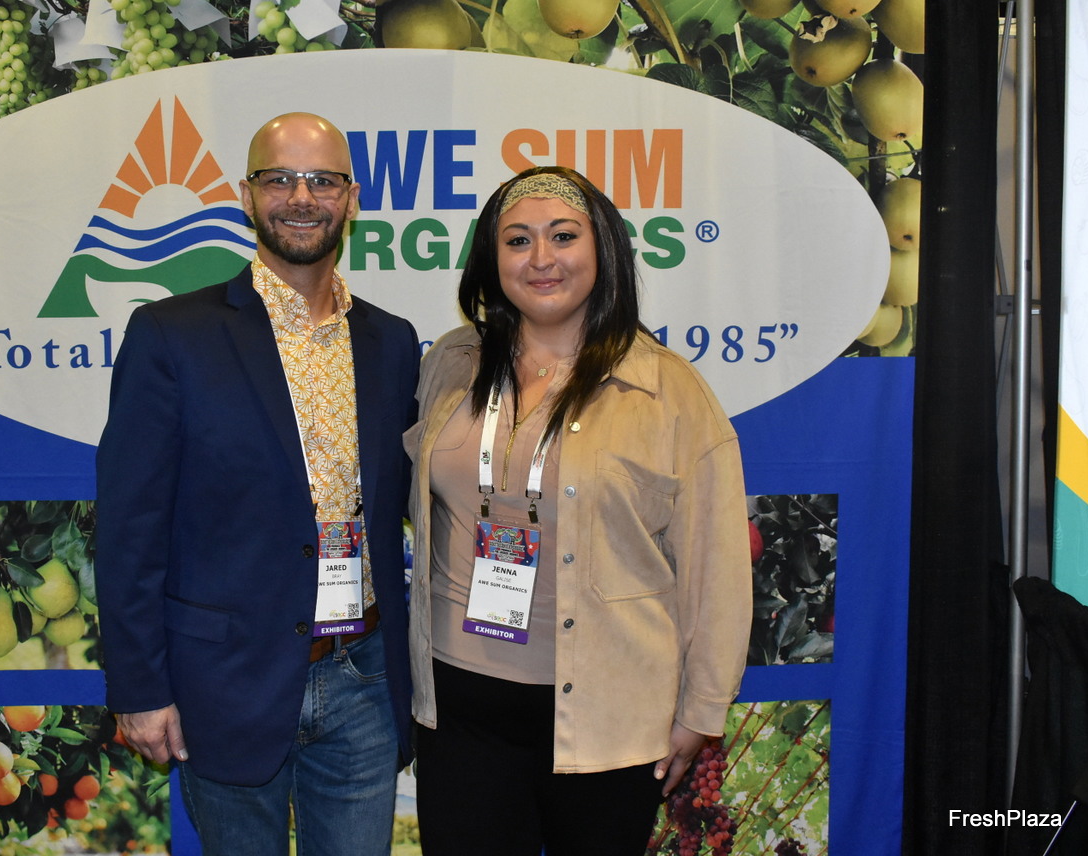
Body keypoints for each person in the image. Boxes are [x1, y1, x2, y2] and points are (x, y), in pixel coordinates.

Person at [95, 112, 419, 856]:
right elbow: (129, 529)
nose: (301, 197)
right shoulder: (172, 335)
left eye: (322, 180)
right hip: (226, 681)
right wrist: (140, 689)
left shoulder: (392, 341)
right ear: (247, 195)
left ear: (351, 198)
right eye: (280, 179)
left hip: (364, 675)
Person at [404, 166, 752, 855]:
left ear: (604, 250)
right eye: (517, 240)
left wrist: (703, 709)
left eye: (563, 236)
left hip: (607, 719)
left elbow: (716, 562)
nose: (541, 258)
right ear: (491, 258)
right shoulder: (451, 363)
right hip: (458, 710)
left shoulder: (667, 390)